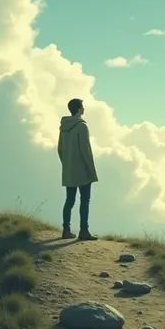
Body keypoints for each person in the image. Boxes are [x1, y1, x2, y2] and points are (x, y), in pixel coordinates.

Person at [58, 98, 99, 240]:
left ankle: (66, 229)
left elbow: (60, 149)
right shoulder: (82, 126)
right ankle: (84, 231)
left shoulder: (63, 126)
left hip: (69, 170)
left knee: (69, 200)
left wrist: (67, 164)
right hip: (82, 170)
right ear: (79, 109)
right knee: (85, 200)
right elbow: (86, 151)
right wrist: (91, 170)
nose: (84, 109)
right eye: (83, 106)